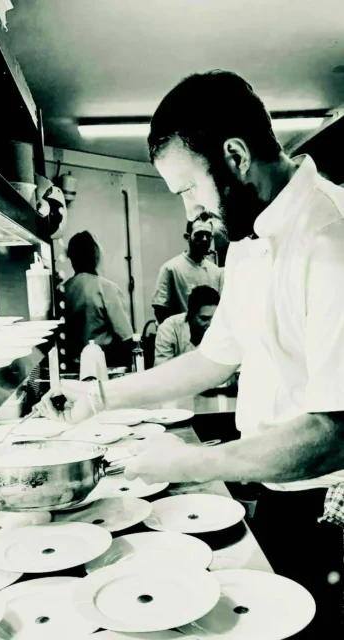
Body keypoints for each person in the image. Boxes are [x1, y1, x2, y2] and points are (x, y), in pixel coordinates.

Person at [39, 70, 344, 635]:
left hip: (332, 510)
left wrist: (189, 463)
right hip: (278, 490)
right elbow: (212, 359)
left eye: (188, 189)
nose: (189, 213)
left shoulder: (333, 237)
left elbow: (334, 432)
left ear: (235, 155)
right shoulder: (251, 243)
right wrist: (98, 397)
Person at [63, 230, 133, 368]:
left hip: (71, 367)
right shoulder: (106, 288)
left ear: (72, 258)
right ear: (95, 255)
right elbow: (126, 336)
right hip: (104, 364)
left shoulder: (63, 290)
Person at [152, 212, 223, 324]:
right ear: (187, 237)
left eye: (208, 235)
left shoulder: (216, 272)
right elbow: (161, 310)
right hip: (182, 337)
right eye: (199, 234)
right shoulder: (171, 269)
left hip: (209, 335)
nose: (204, 239)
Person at [154, 284, 219, 365]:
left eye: (215, 318)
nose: (211, 324)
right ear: (191, 314)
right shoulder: (169, 329)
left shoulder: (221, 327)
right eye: (204, 319)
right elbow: (162, 370)